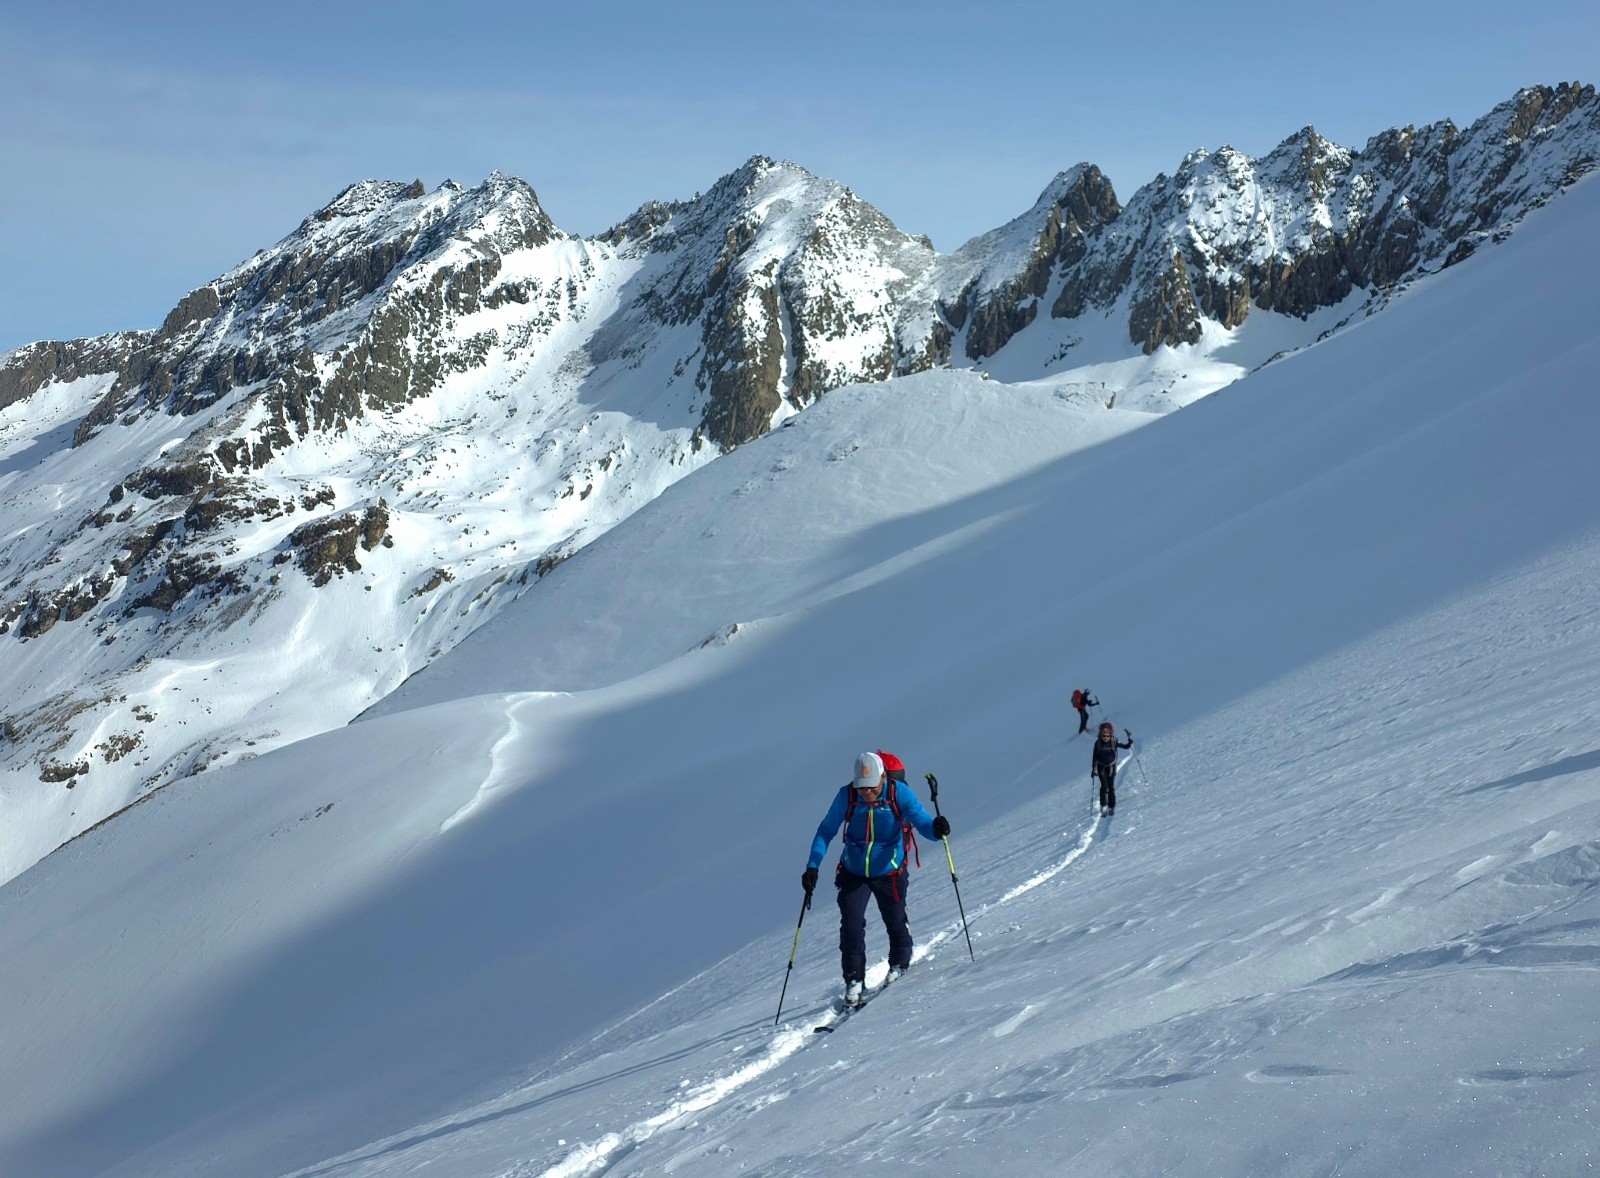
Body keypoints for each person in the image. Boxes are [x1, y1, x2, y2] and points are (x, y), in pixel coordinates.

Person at [802, 752, 948, 1009]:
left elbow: (923, 822)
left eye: (871, 788)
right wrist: (813, 865)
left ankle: (900, 963)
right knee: (851, 925)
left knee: (895, 919)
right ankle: (854, 980)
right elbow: (826, 830)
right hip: (853, 870)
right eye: (861, 788)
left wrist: (937, 830)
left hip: (889, 871)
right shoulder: (847, 795)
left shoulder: (899, 794)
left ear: (883, 777)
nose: (866, 793)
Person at [1091, 722, 1133, 815]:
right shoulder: (1098, 744)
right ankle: (1103, 805)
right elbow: (1095, 757)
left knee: (1110, 787)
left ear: (1110, 735)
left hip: (1111, 766)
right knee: (1104, 787)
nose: (1105, 737)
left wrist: (1129, 742)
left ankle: (1111, 805)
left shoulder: (1114, 741)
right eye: (1103, 735)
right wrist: (1093, 770)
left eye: (1107, 735)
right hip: (1101, 766)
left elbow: (1125, 747)